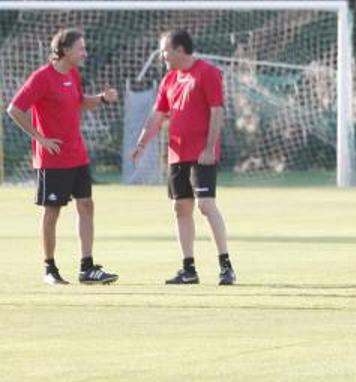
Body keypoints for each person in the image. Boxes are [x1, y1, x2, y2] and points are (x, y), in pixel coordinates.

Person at [7, 29, 120, 285]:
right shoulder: (41, 77)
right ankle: (50, 269)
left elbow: (79, 102)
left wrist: (102, 99)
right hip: (53, 158)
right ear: (65, 50)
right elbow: (14, 109)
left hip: (76, 154)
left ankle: (87, 268)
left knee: (86, 205)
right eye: (81, 48)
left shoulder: (73, 73)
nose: (85, 53)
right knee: (52, 212)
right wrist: (40, 138)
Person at [131, 30, 235, 285]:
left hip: (201, 154)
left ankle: (225, 266)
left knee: (206, 205)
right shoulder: (169, 79)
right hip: (177, 154)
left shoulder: (207, 73)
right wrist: (142, 142)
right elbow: (158, 115)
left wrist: (210, 148)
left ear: (179, 50)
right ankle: (189, 269)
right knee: (181, 208)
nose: (162, 55)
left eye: (165, 50)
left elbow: (217, 111)